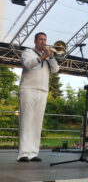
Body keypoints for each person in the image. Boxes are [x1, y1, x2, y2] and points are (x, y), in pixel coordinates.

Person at [17, 32, 59, 162]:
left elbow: (56, 70)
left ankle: (33, 152)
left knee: (37, 122)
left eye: (45, 39)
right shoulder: (27, 52)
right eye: (41, 39)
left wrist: (50, 57)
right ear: (35, 41)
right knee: (26, 120)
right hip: (28, 89)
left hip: (43, 91)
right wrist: (42, 57)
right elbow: (28, 64)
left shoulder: (48, 57)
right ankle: (23, 153)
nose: (43, 41)